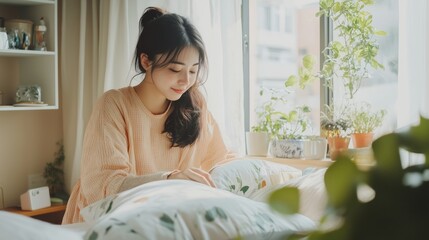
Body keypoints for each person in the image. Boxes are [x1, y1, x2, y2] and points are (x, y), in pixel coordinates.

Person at [62, 7, 235, 224]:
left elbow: (222, 159)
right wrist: (170, 180)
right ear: (146, 61)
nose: (186, 81)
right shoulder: (114, 104)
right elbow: (104, 185)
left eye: (193, 71)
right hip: (106, 222)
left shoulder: (195, 105)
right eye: (175, 69)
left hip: (164, 221)